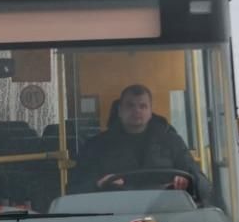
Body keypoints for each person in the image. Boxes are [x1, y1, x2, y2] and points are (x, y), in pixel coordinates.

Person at [69, 83, 211, 201]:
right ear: (119, 110)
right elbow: (74, 190)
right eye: (130, 105)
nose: (136, 110)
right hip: (114, 215)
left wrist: (188, 183)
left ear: (150, 111)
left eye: (143, 106)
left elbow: (203, 185)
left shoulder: (172, 142)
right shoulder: (97, 146)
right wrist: (99, 183)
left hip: (166, 213)